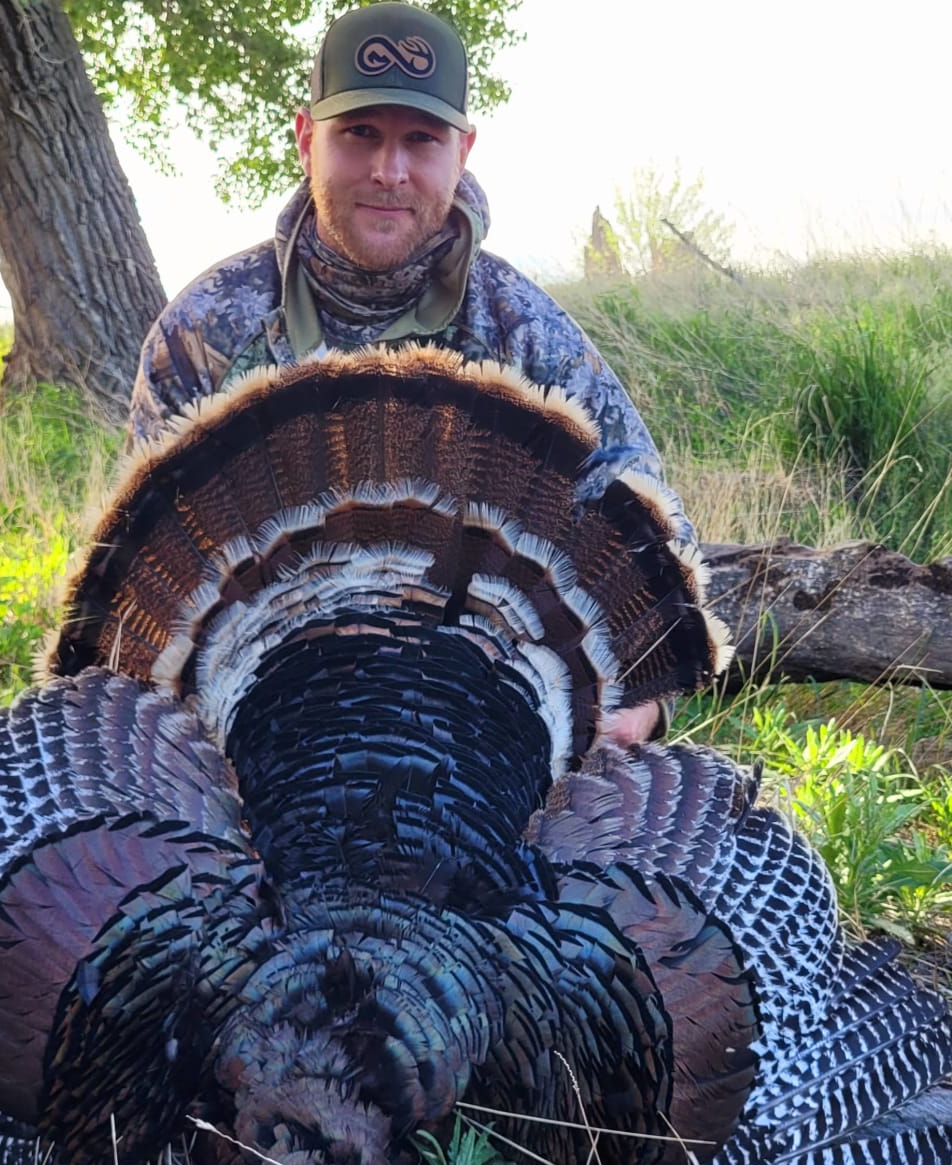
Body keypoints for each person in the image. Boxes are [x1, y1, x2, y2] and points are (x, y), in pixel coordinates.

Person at [128, 1, 685, 745]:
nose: (389, 171)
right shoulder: (207, 330)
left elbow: (655, 546)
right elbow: (142, 601)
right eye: (359, 134)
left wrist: (634, 713)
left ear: (463, 151)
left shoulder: (525, 334)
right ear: (306, 139)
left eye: (420, 140)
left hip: (474, 750)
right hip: (252, 746)